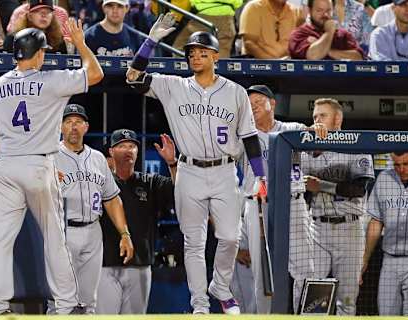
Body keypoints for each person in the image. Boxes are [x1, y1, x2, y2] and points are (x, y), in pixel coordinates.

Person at [125, 14, 267, 314]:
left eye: (203, 52)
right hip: (188, 171)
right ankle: (200, 303)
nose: (196, 57)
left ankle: (220, 285)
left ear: (216, 56)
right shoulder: (173, 85)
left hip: (225, 170)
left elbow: (251, 139)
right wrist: (150, 43)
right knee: (194, 242)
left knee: (229, 236)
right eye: (191, 53)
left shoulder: (235, 92)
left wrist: (262, 177)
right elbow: (133, 78)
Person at [0, 20, 103, 315]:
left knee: (1, 241)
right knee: (55, 238)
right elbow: (95, 73)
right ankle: (67, 305)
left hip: (4, 165)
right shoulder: (51, 81)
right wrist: (80, 43)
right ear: (38, 53)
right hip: (38, 164)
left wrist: (10, 153)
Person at [242, 85, 326, 313]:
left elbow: (316, 149)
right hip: (258, 205)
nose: (254, 106)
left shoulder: (292, 128)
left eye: (259, 101)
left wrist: (317, 130)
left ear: (273, 103)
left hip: (293, 203)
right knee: (261, 273)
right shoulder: (243, 132)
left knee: (305, 268)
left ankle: (306, 316)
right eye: (249, 103)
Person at [54, 105, 134, 314]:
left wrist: (124, 233)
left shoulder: (98, 158)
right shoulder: (50, 156)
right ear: (61, 126)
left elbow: (112, 198)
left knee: (88, 302)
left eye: (78, 122)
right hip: (62, 231)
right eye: (69, 122)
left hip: (92, 231)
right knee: (61, 302)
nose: (73, 126)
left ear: (86, 127)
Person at [301, 98, 374, 315]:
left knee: (347, 299)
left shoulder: (357, 145)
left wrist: (321, 185)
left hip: (349, 229)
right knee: (315, 296)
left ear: (337, 118)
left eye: (322, 115)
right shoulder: (305, 148)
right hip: (318, 228)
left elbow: (359, 188)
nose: (317, 120)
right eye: (315, 116)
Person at [96, 129, 176, 314]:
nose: (128, 150)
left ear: (137, 152)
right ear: (111, 152)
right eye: (122, 146)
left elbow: (178, 189)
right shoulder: (100, 183)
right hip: (105, 265)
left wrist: (171, 162)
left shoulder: (150, 182)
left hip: (140, 264)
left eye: (132, 146)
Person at [362, 152, 408, 316]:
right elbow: (376, 222)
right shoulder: (384, 179)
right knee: (386, 313)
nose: (401, 169)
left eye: (406, 164)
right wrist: (365, 259)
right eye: (397, 165)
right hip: (389, 260)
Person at [288, 0, 364, 60]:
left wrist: (328, 51)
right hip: (309, 79)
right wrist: (329, 32)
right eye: (319, 10)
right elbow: (314, 56)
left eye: (328, 11)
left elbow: (358, 57)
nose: (325, 15)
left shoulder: (342, 34)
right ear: (309, 11)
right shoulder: (299, 34)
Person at [171, 0, 242, 58]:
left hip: (203, 14)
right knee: (222, 51)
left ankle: (191, 71)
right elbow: (238, 3)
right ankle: (218, 73)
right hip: (227, 17)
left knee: (179, 47)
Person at [238, 0, 305, 59]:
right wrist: (273, 63)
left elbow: (299, 45)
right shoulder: (253, 7)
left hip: (288, 68)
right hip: (258, 68)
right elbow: (249, 43)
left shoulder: (297, 12)